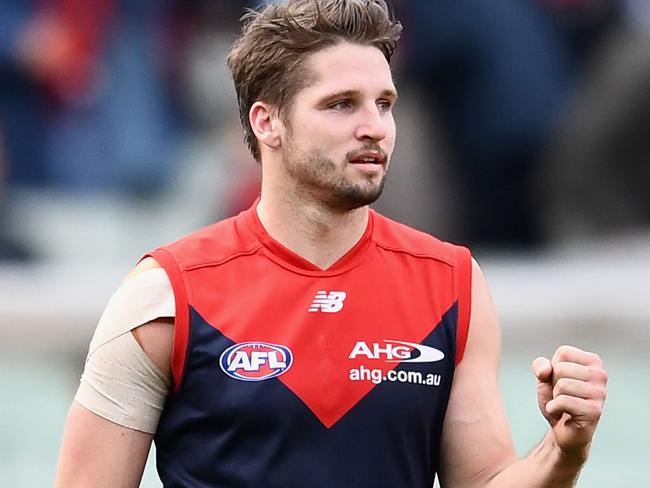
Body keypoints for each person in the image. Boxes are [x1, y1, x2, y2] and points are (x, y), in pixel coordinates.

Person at [55, 1, 607, 487]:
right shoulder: (165, 293)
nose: (375, 127)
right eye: (341, 103)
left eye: (384, 103)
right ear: (267, 123)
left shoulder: (452, 283)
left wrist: (562, 451)